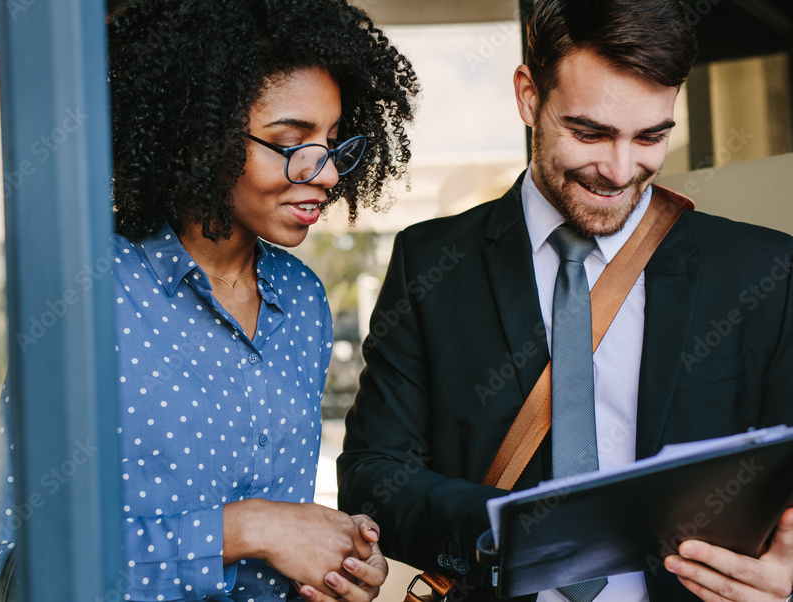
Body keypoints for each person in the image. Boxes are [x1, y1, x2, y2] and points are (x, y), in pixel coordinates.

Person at [337, 0, 793, 601]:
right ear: (529, 96)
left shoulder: (764, 270)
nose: (621, 169)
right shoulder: (431, 263)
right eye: (590, 132)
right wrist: (518, 531)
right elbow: (372, 477)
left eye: (651, 136)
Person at [0, 1, 419, 601]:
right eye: (291, 142)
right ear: (198, 136)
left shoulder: (303, 301)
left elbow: (283, 549)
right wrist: (246, 528)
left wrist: (336, 565)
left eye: (334, 143)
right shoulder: (87, 292)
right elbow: (15, 572)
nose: (329, 174)